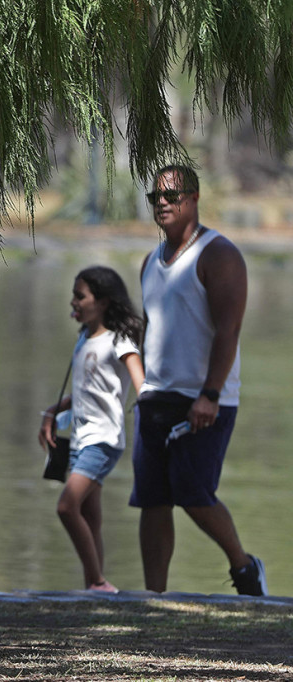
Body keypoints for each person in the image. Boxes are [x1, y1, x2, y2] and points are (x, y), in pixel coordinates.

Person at [132, 165, 265, 595]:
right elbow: (153, 329)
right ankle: (154, 598)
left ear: (194, 198)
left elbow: (229, 330)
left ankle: (245, 569)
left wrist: (209, 394)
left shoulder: (218, 254)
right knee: (152, 500)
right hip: (156, 396)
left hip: (205, 399)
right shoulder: (150, 261)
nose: (163, 204)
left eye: (172, 196)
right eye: (156, 198)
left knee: (193, 492)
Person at [39, 266, 145, 593]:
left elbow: (141, 384)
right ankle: (92, 589)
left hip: (103, 440)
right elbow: (87, 390)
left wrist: (154, 412)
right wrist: (51, 413)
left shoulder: (121, 339)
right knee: (91, 516)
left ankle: (99, 582)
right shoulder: (85, 337)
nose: (73, 301)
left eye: (80, 295)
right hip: (81, 439)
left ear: (103, 301)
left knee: (66, 506)